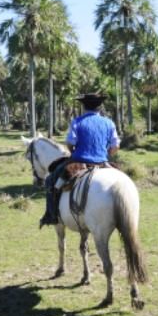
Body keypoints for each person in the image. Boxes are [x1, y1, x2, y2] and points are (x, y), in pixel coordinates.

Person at [39, 92, 120, 227]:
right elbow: (115, 145)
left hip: (79, 162)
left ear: (84, 106)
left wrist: (73, 152)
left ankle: (51, 215)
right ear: (99, 107)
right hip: (103, 162)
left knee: (50, 181)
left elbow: (70, 142)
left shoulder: (77, 122)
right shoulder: (109, 123)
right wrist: (106, 154)